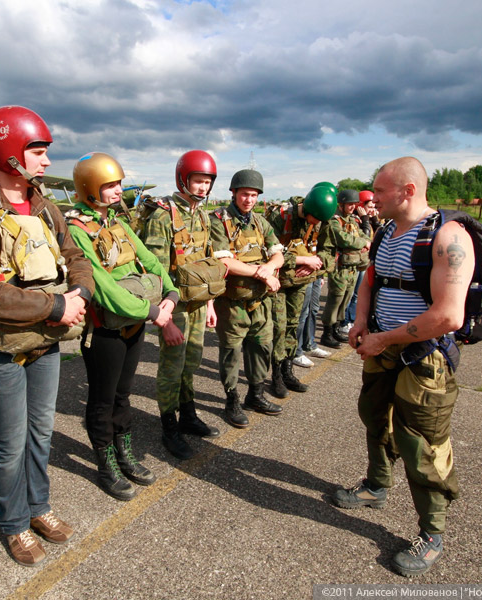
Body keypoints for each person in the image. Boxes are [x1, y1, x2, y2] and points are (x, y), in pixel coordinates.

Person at [0, 106, 95, 567]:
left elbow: (76, 255)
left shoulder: (45, 205)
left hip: (44, 343)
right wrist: (55, 306)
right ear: (10, 153)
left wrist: (80, 293)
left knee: (41, 434)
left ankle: (39, 506)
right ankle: (13, 523)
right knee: (9, 443)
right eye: (39, 153)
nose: (47, 163)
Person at [332, 157, 474, 577]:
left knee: (422, 445)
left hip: (423, 357)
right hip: (380, 345)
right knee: (374, 416)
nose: (372, 198)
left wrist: (383, 338)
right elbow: (370, 279)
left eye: (379, 190)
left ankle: (432, 533)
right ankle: (377, 486)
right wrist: (361, 321)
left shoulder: (448, 237)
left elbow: (449, 316)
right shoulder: (387, 231)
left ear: (407, 190)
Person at [66, 152, 179, 501]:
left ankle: (125, 452)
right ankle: (106, 461)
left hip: (135, 325)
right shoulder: (76, 230)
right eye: (110, 185)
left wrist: (171, 293)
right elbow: (103, 286)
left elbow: (150, 261)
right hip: (105, 331)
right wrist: (153, 312)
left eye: (118, 184)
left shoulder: (119, 222)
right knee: (101, 401)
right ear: (89, 188)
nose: (118, 191)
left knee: (123, 396)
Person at [140, 150, 221, 460]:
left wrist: (211, 303)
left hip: (199, 303)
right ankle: (169, 428)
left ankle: (188, 415)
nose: (203, 187)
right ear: (183, 179)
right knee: (171, 369)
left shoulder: (201, 214)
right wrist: (166, 320)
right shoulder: (163, 216)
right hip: (175, 308)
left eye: (207, 182)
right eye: (198, 181)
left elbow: (207, 262)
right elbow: (156, 273)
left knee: (192, 362)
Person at [209, 169, 284, 428]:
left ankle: (256, 394)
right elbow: (224, 261)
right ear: (234, 193)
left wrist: (270, 266)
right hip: (232, 303)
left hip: (260, 303)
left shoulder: (261, 223)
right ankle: (232, 399)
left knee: (261, 348)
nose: (249, 200)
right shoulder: (219, 220)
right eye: (244, 194)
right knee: (231, 353)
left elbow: (279, 254)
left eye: (253, 195)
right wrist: (262, 273)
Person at [268, 188, 337, 388]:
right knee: (279, 328)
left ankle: (288, 370)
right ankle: (276, 375)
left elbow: (329, 252)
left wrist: (314, 262)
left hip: (300, 283)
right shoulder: (279, 216)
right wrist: (301, 259)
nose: (316, 224)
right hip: (278, 282)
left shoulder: (322, 219)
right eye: (314, 219)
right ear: (306, 209)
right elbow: (266, 250)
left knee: (294, 325)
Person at [320, 189, 372, 348]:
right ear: (341, 204)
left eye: (354, 204)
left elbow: (363, 236)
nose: (352, 207)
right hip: (340, 268)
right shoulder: (334, 221)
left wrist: (364, 242)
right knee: (335, 300)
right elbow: (343, 239)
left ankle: (336, 327)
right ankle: (327, 333)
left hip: (352, 267)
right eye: (349, 204)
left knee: (346, 299)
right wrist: (363, 244)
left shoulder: (352, 220)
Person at [339, 190, 382, 336]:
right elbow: (352, 239)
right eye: (368, 206)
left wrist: (372, 220)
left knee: (355, 294)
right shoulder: (354, 220)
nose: (371, 209)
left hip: (363, 260)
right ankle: (344, 321)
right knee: (351, 295)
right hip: (353, 262)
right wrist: (364, 219)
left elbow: (375, 235)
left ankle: (350, 319)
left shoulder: (366, 219)